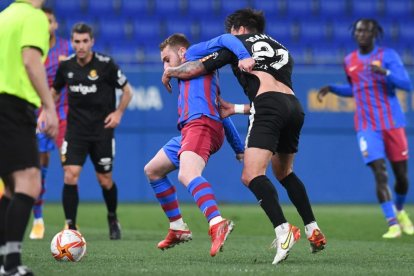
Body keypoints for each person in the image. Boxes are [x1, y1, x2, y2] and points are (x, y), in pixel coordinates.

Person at [162, 9, 327, 265]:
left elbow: (197, 67)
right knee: (284, 172)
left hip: (268, 107)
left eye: (231, 32)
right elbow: (274, 95)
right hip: (293, 107)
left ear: (238, 29)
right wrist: (236, 109)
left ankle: (284, 231)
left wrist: (171, 71)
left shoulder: (239, 44)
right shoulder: (281, 49)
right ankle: (312, 228)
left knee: (251, 175)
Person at [151, 33, 254, 256]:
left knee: (187, 173)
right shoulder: (191, 77)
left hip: (201, 125)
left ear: (180, 52)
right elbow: (221, 110)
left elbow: (227, 38)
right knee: (153, 170)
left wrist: (244, 55)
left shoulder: (194, 53)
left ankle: (217, 222)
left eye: (167, 59)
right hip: (192, 129)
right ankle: (178, 227)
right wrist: (238, 148)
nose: (165, 66)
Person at [317, 19, 414, 238]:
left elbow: (407, 84)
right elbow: (357, 90)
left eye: (367, 31)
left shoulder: (387, 56)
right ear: (355, 33)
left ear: (374, 34)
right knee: (379, 172)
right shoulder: (349, 60)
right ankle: (393, 224)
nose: (362, 34)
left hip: (392, 123)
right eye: (359, 30)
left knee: (402, 177)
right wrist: (333, 88)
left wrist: (385, 73)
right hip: (367, 126)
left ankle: (399, 211)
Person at [52, 23, 133, 240]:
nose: (80, 46)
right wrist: (47, 111)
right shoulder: (66, 66)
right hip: (75, 131)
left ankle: (112, 217)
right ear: (72, 42)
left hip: (101, 132)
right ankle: (70, 226)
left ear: (92, 42)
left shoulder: (106, 65)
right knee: (70, 175)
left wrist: (118, 114)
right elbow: (55, 92)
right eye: (76, 41)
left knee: (104, 179)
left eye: (84, 41)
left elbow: (127, 91)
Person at [0, 0, 59, 274]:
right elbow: (30, 61)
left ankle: (5, 261)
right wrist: (49, 106)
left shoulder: (4, 16)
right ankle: (11, 265)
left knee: (12, 186)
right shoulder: (34, 17)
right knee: (30, 182)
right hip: (13, 105)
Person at [29, 7, 73, 240]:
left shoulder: (67, 48)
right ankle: (38, 220)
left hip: (64, 116)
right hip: (39, 117)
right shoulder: (31, 49)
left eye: (50, 21)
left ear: (55, 24)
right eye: (42, 21)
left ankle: (69, 223)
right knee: (39, 171)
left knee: (70, 170)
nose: (47, 25)